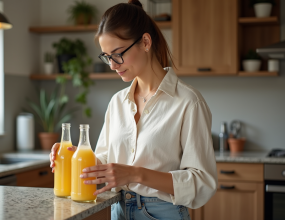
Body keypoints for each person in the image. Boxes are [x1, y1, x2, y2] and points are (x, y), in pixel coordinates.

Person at [49, 0, 217, 219]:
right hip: (118, 210)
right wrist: (76, 158)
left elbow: (202, 182)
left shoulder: (188, 102)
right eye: (107, 56)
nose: (112, 65)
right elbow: (104, 161)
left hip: (163, 213)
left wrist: (135, 174)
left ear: (145, 42)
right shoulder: (117, 102)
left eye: (118, 54)